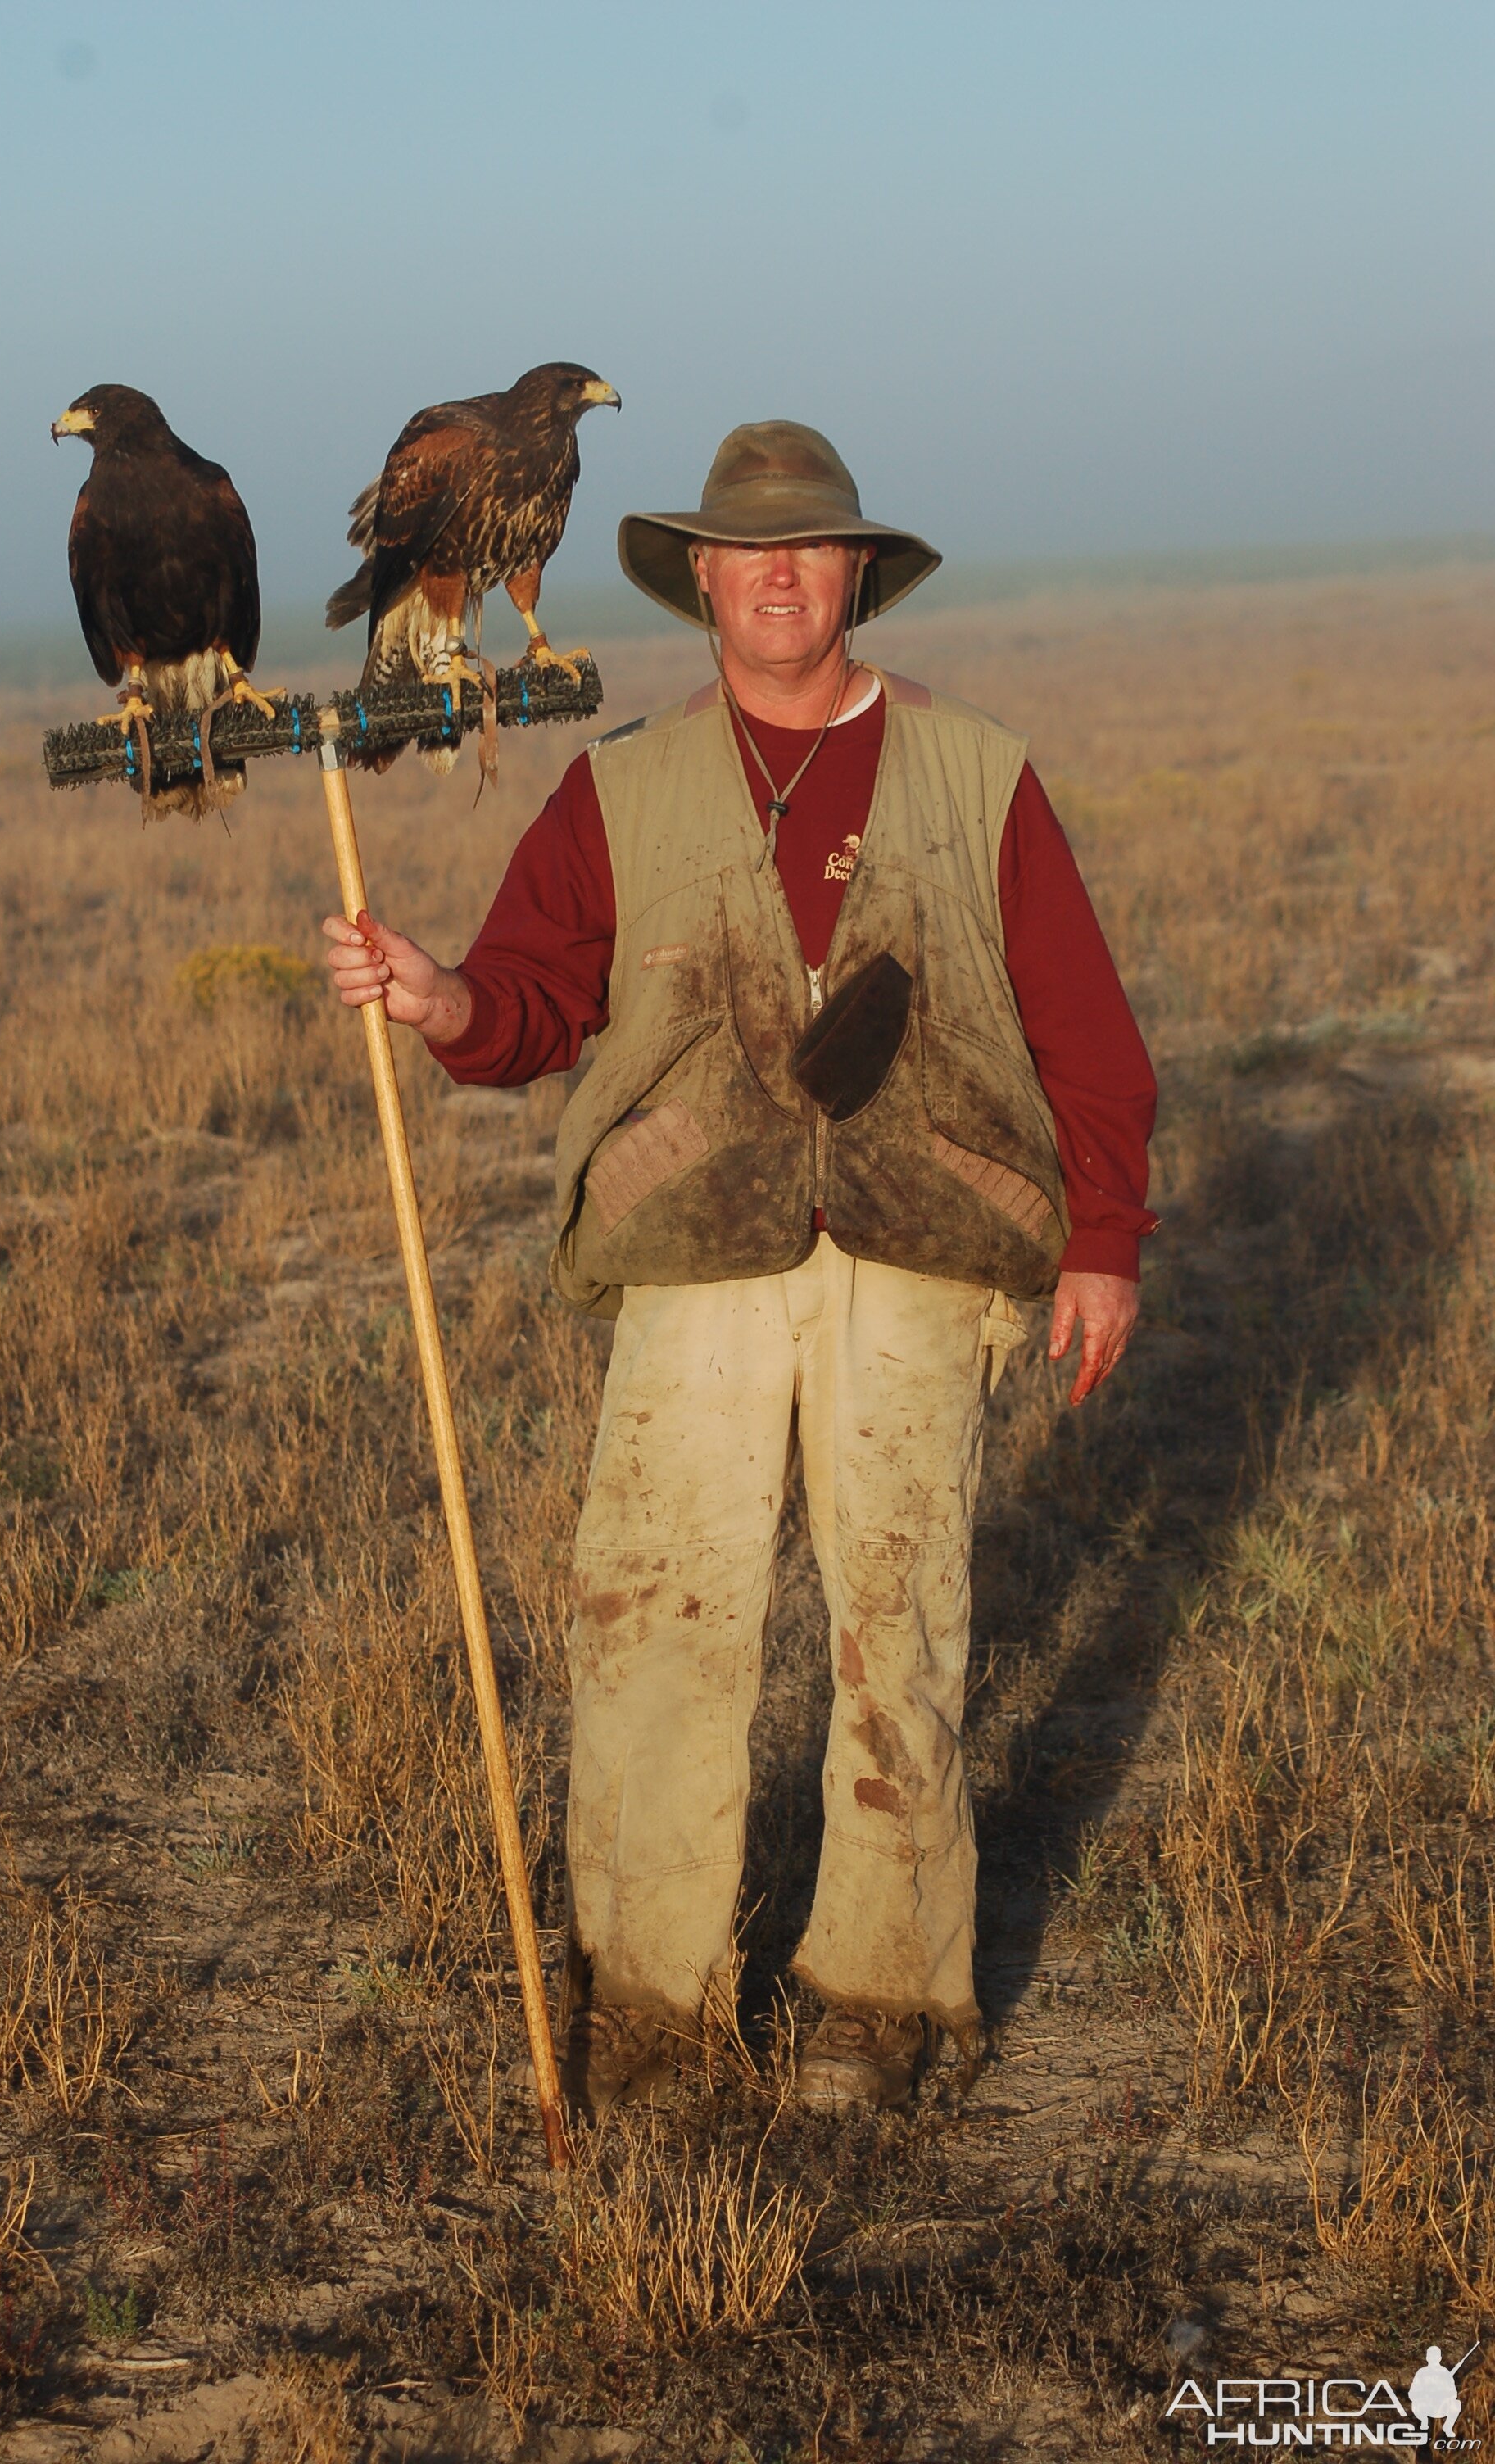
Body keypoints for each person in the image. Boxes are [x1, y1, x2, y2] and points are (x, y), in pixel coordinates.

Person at [324, 422, 1157, 2119]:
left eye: (811, 547)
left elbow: (1082, 1023)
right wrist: (438, 1000)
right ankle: (646, 2012)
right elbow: (533, 1003)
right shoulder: (617, 786)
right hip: (694, 1250)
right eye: (746, 550)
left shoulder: (977, 770)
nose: (778, 574)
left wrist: (1102, 1239)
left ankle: (882, 2001)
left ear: (857, 573)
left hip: (926, 1245)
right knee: (653, 1625)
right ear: (700, 577)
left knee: (898, 1627)